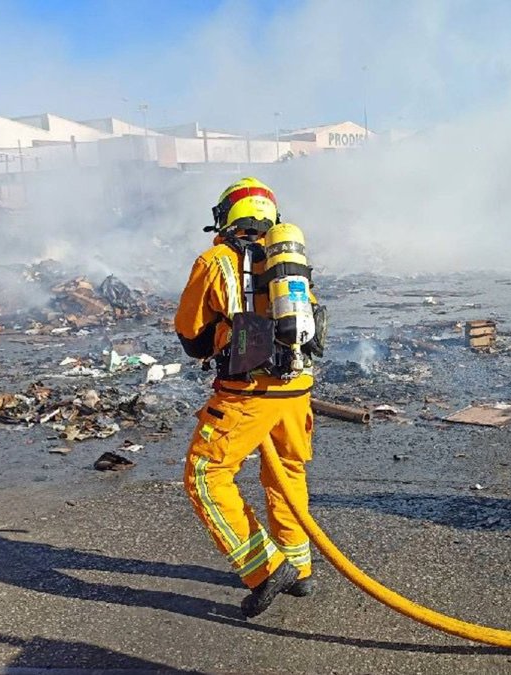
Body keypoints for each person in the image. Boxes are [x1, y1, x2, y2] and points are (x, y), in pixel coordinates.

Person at [174, 177, 325, 617]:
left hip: (249, 392)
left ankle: (265, 569)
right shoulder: (290, 267)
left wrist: (219, 335)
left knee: (206, 475)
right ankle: (298, 566)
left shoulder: (217, 259)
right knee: (287, 473)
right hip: (297, 389)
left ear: (224, 217)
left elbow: (190, 333)